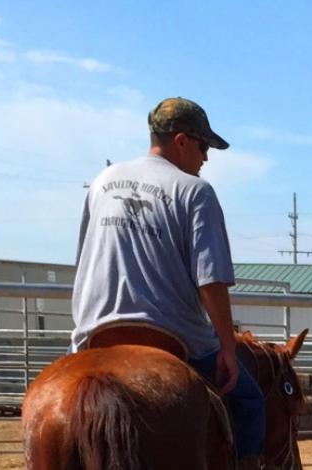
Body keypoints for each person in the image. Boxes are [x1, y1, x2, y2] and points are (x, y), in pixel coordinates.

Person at [69, 97, 264, 468]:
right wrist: (226, 348)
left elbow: (83, 261)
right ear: (181, 141)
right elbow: (211, 280)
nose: (205, 158)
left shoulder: (102, 182)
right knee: (250, 402)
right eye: (204, 146)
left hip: (94, 335)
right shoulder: (194, 191)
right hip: (172, 338)